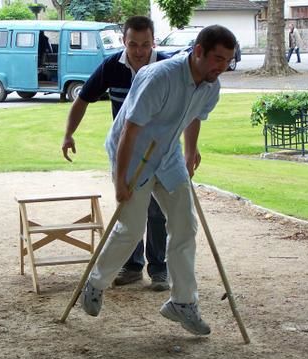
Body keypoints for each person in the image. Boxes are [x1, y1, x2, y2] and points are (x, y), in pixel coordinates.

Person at [78, 25, 237, 336]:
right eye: (218, 59)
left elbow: (193, 117)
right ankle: (95, 283)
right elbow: (130, 129)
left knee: (185, 224)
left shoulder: (210, 85)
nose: (222, 67)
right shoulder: (160, 76)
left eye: (228, 61)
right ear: (199, 51)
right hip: (134, 153)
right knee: (132, 227)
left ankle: (183, 302)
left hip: (168, 154)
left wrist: (190, 152)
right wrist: (121, 179)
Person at [62, 16, 171, 292]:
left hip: (158, 151)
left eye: (145, 45)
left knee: (157, 211)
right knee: (128, 207)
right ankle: (132, 266)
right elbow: (83, 99)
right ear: (124, 41)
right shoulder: (112, 66)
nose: (138, 51)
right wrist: (68, 134)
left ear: (153, 41)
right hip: (125, 151)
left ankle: (158, 268)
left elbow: (186, 108)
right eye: (133, 44)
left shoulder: (167, 66)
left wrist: (192, 148)